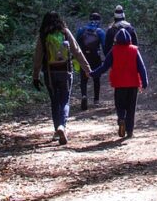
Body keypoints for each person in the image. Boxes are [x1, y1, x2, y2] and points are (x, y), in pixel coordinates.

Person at [32, 11, 91, 145]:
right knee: (65, 100)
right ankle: (62, 126)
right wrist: (87, 69)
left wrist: (35, 76)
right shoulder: (65, 32)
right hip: (65, 71)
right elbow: (77, 51)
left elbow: (38, 58)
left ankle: (56, 130)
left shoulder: (43, 35)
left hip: (49, 73)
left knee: (54, 101)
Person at [92, 28, 148, 139]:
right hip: (133, 84)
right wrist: (145, 81)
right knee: (131, 108)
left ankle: (121, 118)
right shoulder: (134, 50)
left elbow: (104, 67)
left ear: (116, 40)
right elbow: (141, 67)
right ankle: (130, 131)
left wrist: (93, 73)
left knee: (120, 105)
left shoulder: (114, 50)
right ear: (129, 39)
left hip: (119, 84)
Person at [76, 11, 108, 111]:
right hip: (95, 57)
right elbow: (104, 46)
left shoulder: (81, 30)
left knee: (83, 78)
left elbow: (76, 44)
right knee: (96, 78)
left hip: (84, 57)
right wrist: (108, 58)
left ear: (89, 19)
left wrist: (75, 57)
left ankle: (84, 95)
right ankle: (96, 100)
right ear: (99, 20)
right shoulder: (100, 31)